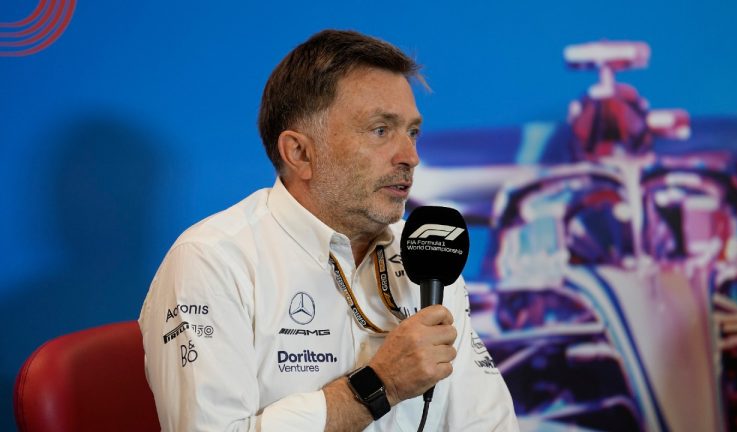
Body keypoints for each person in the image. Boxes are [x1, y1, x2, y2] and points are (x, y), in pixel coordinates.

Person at [139, 29, 519, 431]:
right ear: (300, 153)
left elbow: (487, 423)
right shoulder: (213, 261)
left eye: (412, 132)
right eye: (380, 130)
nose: (411, 156)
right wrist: (381, 384)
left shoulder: (428, 252)